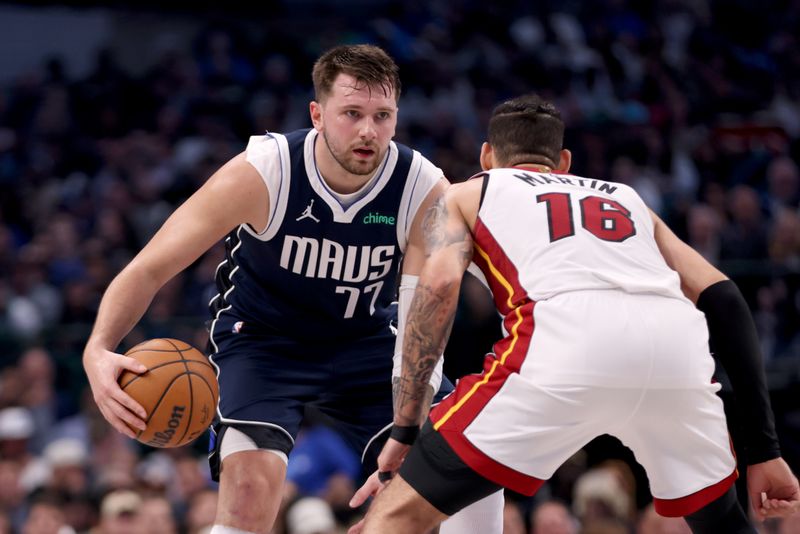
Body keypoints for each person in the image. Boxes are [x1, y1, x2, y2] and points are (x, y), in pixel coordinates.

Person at [82, 44, 503, 534]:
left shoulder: (422, 186)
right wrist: (97, 349)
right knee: (250, 494)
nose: (369, 130)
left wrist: (412, 428)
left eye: (382, 116)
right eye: (352, 113)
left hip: (365, 340)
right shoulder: (264, 171)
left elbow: (422, 316)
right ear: (317, 114)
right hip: (264, 340)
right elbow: (149, 268)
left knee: (469, 469)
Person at [355, 94, 800, 533]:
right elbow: (724, 298)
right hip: (676, 353)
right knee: (722, 522)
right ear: (563, 162)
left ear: (487, 155)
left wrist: (406, 426)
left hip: (566, 344)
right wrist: (765, 450)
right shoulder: (627, 199)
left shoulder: (470, 192)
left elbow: (439, 285)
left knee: (395, 516)